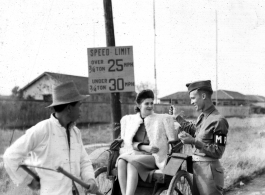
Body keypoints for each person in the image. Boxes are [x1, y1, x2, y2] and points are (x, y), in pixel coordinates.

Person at [3, 81, 98, 195]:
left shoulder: (75, 132)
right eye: (79, 106)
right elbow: (10, 156)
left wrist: (90, 179)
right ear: (69, 108)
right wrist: (29, 180)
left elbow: (84, 161)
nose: (80, 110)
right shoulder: (42, 130)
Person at [171, 80, 229, 195]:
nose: (191, 102)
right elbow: (194, 130)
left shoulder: (219, 120)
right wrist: (177, 117)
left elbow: (218, 152)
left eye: (193, 98)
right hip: (198, 170)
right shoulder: (203, 116)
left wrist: (193, 141)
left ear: (203, 96)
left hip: (210, 173)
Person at [117, 89, 177, 195]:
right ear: (139, 105)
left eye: (151, 103)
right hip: (136, 154)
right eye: (146, 103)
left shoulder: (159, 119)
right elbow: (129, 142)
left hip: (154, 156)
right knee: (121, 161)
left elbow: (173, 134)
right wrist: (143, 147)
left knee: (132, 164)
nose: (150, 106)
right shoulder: (133, 121)